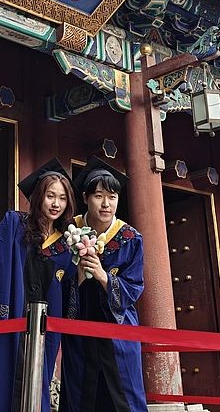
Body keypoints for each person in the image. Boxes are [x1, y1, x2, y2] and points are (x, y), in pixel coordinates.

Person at [0, 158, 76, 412]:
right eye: (50, 196)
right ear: (38, 197)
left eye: (62, 198)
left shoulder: (67, 245)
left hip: (43, 331)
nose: (56, 204)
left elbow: (71, 291)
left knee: (36, 390)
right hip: (8, 320)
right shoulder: (15, 225)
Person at [60, 157, 147, 412]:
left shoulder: (130, 238)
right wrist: (77, 276)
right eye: (99, 196)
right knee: (81, 398)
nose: (106, 204)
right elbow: (54, 283)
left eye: (112, 197)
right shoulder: (68, 233)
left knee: (123, 398)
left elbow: (134, 288)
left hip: (118, 332)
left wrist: (102, 275)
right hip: (80, 332)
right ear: (85, 197)